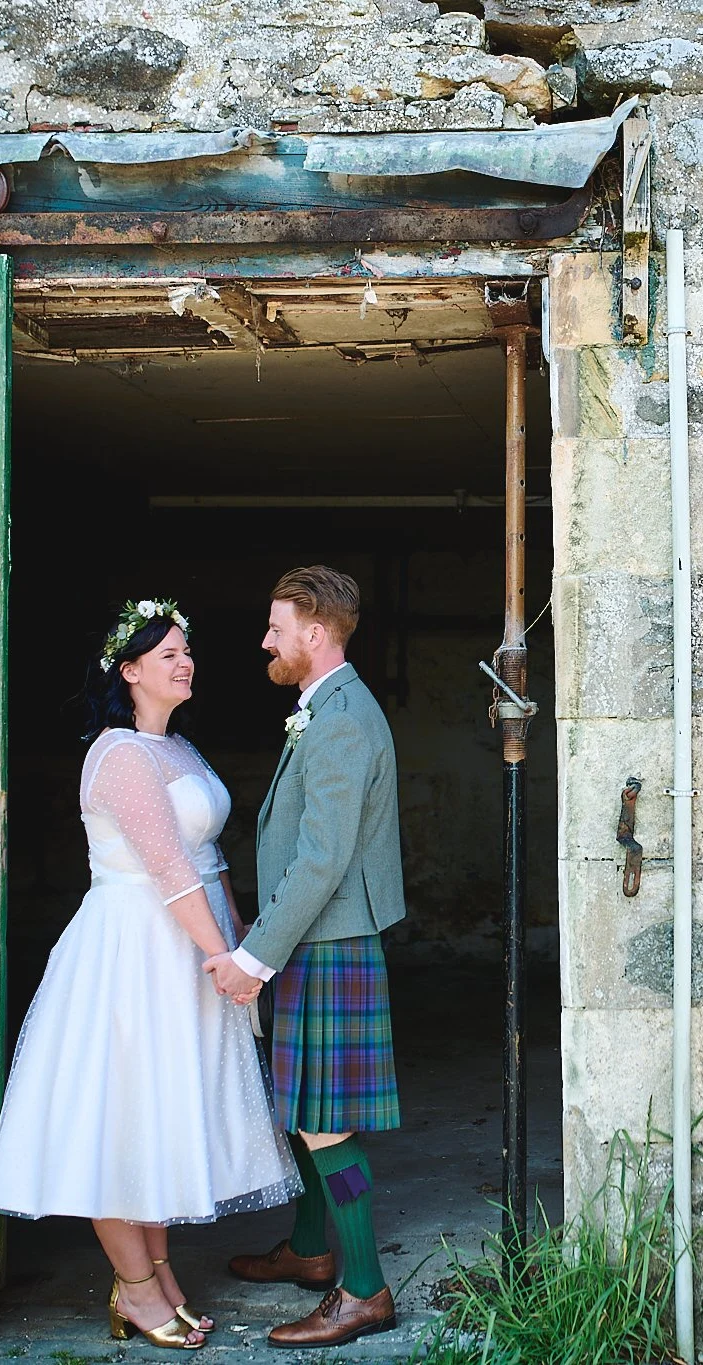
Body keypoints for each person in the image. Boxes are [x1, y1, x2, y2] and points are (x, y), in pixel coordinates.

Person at [0, 599, 300, 1350]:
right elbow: (164, 868)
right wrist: (220, 957)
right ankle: (131, 1284)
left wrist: (241, 929)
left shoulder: (181, 750)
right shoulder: (120, 754)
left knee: (157, 1112)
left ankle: (157, 1274)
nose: (185, 663)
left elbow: (207, 859)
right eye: (167, 655)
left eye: (187, 652)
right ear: (128, 672)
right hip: (131, 952)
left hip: (185, 946)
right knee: (120, 1116)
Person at [204, 566, 407, 1348]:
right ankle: (314, 1249)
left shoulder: (343, 718)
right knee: (308, 1110)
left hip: (330, 938)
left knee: (328, 1125)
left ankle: (363, 1288)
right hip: (318, 937)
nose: (266, 641)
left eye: (276, 628)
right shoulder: (326, 709)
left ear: (315, 635)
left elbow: (323, 860)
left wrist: (253, 957)